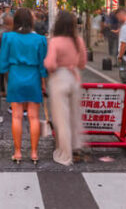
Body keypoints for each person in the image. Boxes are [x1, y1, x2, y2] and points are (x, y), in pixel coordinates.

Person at [0, 7, 48, 165]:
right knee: (33, 116)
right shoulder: (40, 39)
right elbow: (42, 65)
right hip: (33, 77)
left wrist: (6, 72)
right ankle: (34, 153)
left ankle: (18, 152)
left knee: (16, 116)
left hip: (15, 76)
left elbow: (2, 63)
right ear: (31, 21)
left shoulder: (8, 37)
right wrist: (43, 81)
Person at [44, 10, 88, 166]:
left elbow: (49, 64)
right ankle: (76, 146)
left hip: (59, 78)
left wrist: (55, 67)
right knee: (74, 116)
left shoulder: (55, 41)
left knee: (61, 119)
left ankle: (65, 153)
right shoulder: (78, 40)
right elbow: (83, 63)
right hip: (74, 77)